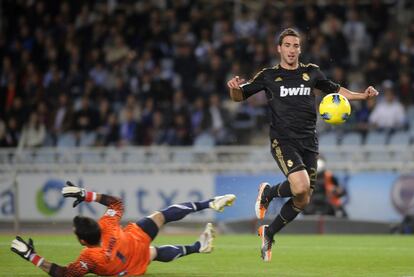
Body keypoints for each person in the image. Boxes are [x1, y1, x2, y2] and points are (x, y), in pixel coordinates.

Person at [227, 28, 379, 262]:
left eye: (295, 46)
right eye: (287, 45)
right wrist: (234, 89)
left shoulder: (312, 73)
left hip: (309, 141)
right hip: (283, 140)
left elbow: (337, 90)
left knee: (303, 198)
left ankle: (269, 232)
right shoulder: (268, 75)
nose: (291, 50)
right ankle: (268, 192)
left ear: (300, 49)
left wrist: (363, 95)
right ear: (279, 48)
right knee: (300, 186)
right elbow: (240, 96)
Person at [10, 181, 236, 276]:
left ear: (81, 240)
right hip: (133, 241)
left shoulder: (89, 257)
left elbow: (64, 273)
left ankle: (200, 246)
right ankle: (209, 203)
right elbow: (116, 203)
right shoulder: (106, 224)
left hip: (128, 267)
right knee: (161, 216)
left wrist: (31, 256)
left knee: (153, 254)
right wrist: (85, 194)